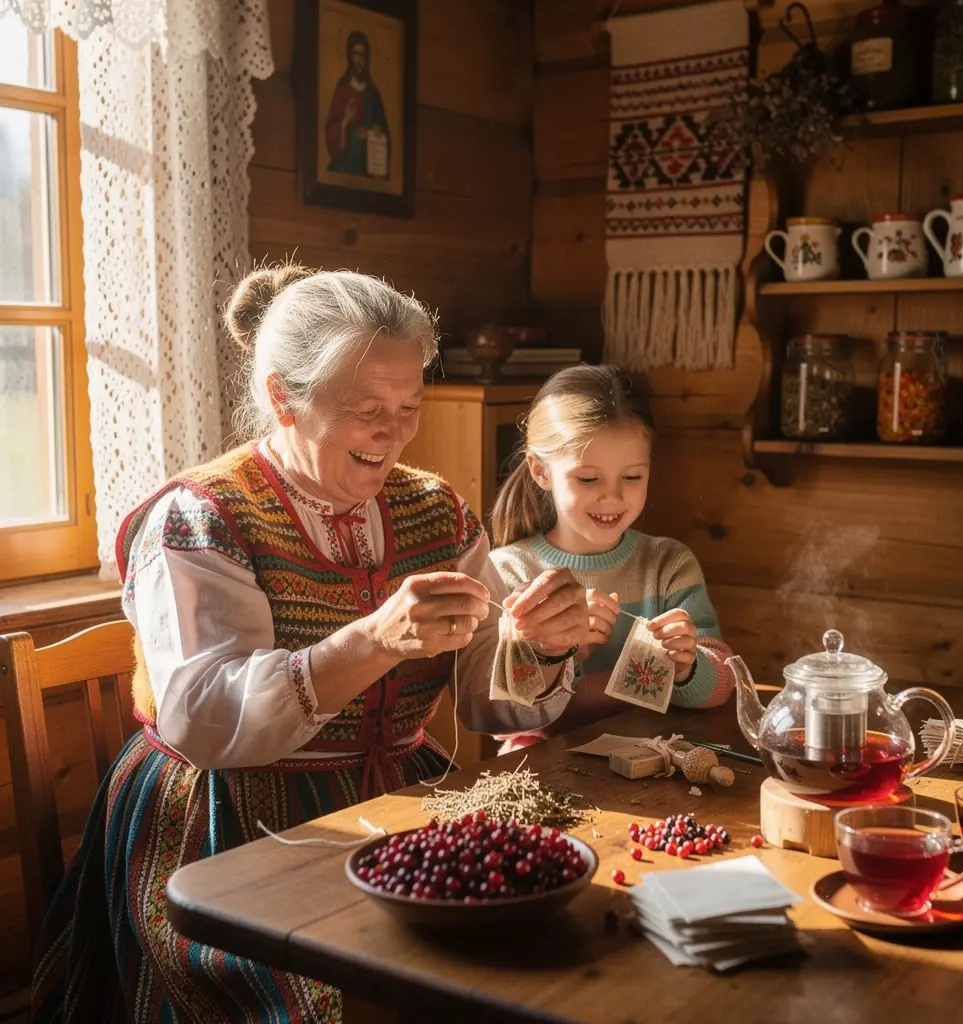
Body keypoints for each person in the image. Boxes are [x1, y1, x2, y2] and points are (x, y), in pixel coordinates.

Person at [31, 264, 588, 1022]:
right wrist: (374, 638)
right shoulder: (202, 518)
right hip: (226, 828)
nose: (392, 432)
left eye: (409, 406)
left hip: (395, 799)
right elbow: (203, 718)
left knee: (523, 958)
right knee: (346, 999)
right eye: (366, 410)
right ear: (281, 397)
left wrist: (537, 649)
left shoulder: (437, 512)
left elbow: (480, 693)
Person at [488, 364, 736, 751]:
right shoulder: (511, 573)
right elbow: (501, 714)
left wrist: (688, 667)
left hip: (655, 759)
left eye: (632, 477)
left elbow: (721, 683)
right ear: (540, 471)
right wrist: (563, 651)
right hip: (544, 768)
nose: (613, 497)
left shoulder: (668, 565)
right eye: (588, 479)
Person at [325, 30, 389, 177]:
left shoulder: (372, 93)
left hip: (368, 162)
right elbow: (331, 127)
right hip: (346, 162)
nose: (359, 60)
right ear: (350, 56)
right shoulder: (343, 88)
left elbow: (383, 128)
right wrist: (345, 122)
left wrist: (375, 132)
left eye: (363, 55)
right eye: (356, 54)